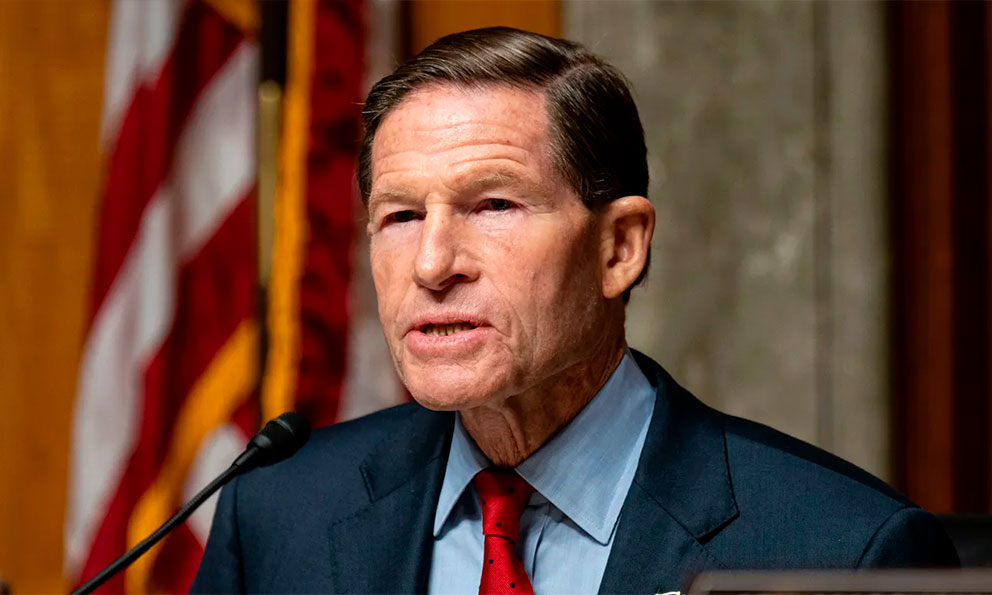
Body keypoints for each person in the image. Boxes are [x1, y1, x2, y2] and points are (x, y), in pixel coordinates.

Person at [192, 27, 957, 594]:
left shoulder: (842, 550)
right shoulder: (278, 512)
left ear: (619, 247)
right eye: (400, 216)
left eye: (493, 205)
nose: (431, 264)